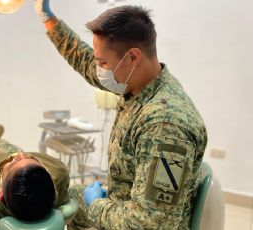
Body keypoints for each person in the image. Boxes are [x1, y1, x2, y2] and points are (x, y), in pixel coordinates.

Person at [34, 1, 208, 229]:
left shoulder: (164, 125)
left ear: (133, 57)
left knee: (73, 202)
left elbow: (149, 223)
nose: (99, 70)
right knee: (72, 196)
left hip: (141, 221)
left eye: (103, 63)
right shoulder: (140, 83)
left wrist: (96, 204)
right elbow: (84, 59)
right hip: (126, 200)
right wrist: (48, 18)